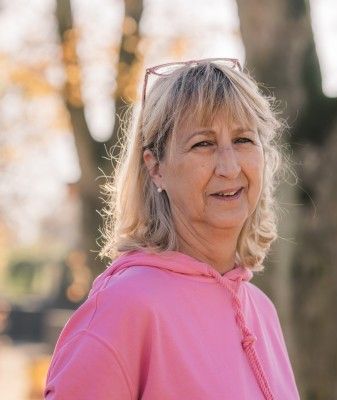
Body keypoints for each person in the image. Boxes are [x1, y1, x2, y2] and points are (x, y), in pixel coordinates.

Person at [44, 58, 300, 399]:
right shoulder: (123, 307)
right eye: (203, 144)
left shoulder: (262, 310)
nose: (229, 167)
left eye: (243, 140)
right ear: (156, 168)